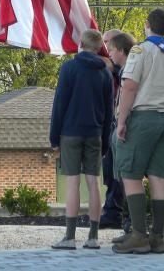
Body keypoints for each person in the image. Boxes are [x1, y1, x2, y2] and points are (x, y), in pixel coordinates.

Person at [111, 8, 164, 255]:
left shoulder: (140, 50)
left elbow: (130, 87)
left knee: (130, 174)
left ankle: (139, 236)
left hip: (143, 119)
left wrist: (121, 121)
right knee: (158, 175)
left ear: (147, 25)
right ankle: (158, 237)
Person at [49, 28, 114, 250]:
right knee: (94, 183)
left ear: (81, 45)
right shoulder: (105, 73)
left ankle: (69, 237)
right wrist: (105, 140)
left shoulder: (69, 68)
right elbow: (109, 112)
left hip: (70, 132)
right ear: (98, 48)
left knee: (73, 182)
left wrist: (54, 137)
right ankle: (93, 237)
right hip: (94, 133)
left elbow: (60, 104)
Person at [100, 30, 136, 235]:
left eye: (109, 45)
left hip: (125, 123)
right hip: (112, 121)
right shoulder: (112, 67)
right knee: (111, 169)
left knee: (126, 173)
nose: (106, 50)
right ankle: (113, 212)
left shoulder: (127, 69)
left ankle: (128, 219)